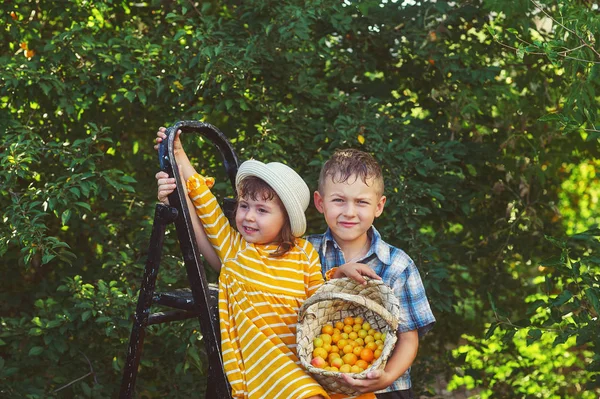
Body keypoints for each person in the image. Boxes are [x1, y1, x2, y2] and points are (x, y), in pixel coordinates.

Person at [154, 127, 329, 399]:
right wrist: (178, 156)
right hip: (266, 362)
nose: (248, 216)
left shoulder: (304, 253)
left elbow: (321, 300)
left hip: (305, 354)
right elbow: (206, 206)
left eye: (262, 210)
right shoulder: (237, 249)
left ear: (285, 219)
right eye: (244, 205)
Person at [307, 148, 436, 399]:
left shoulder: (397, 265)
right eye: (338, 200)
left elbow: (409, 339)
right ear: (320, 202)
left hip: (386, 389)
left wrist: (386, 377)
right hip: (317, 388)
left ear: (379, 206)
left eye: (362, 202)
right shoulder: (305, 253)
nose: (349, 212)